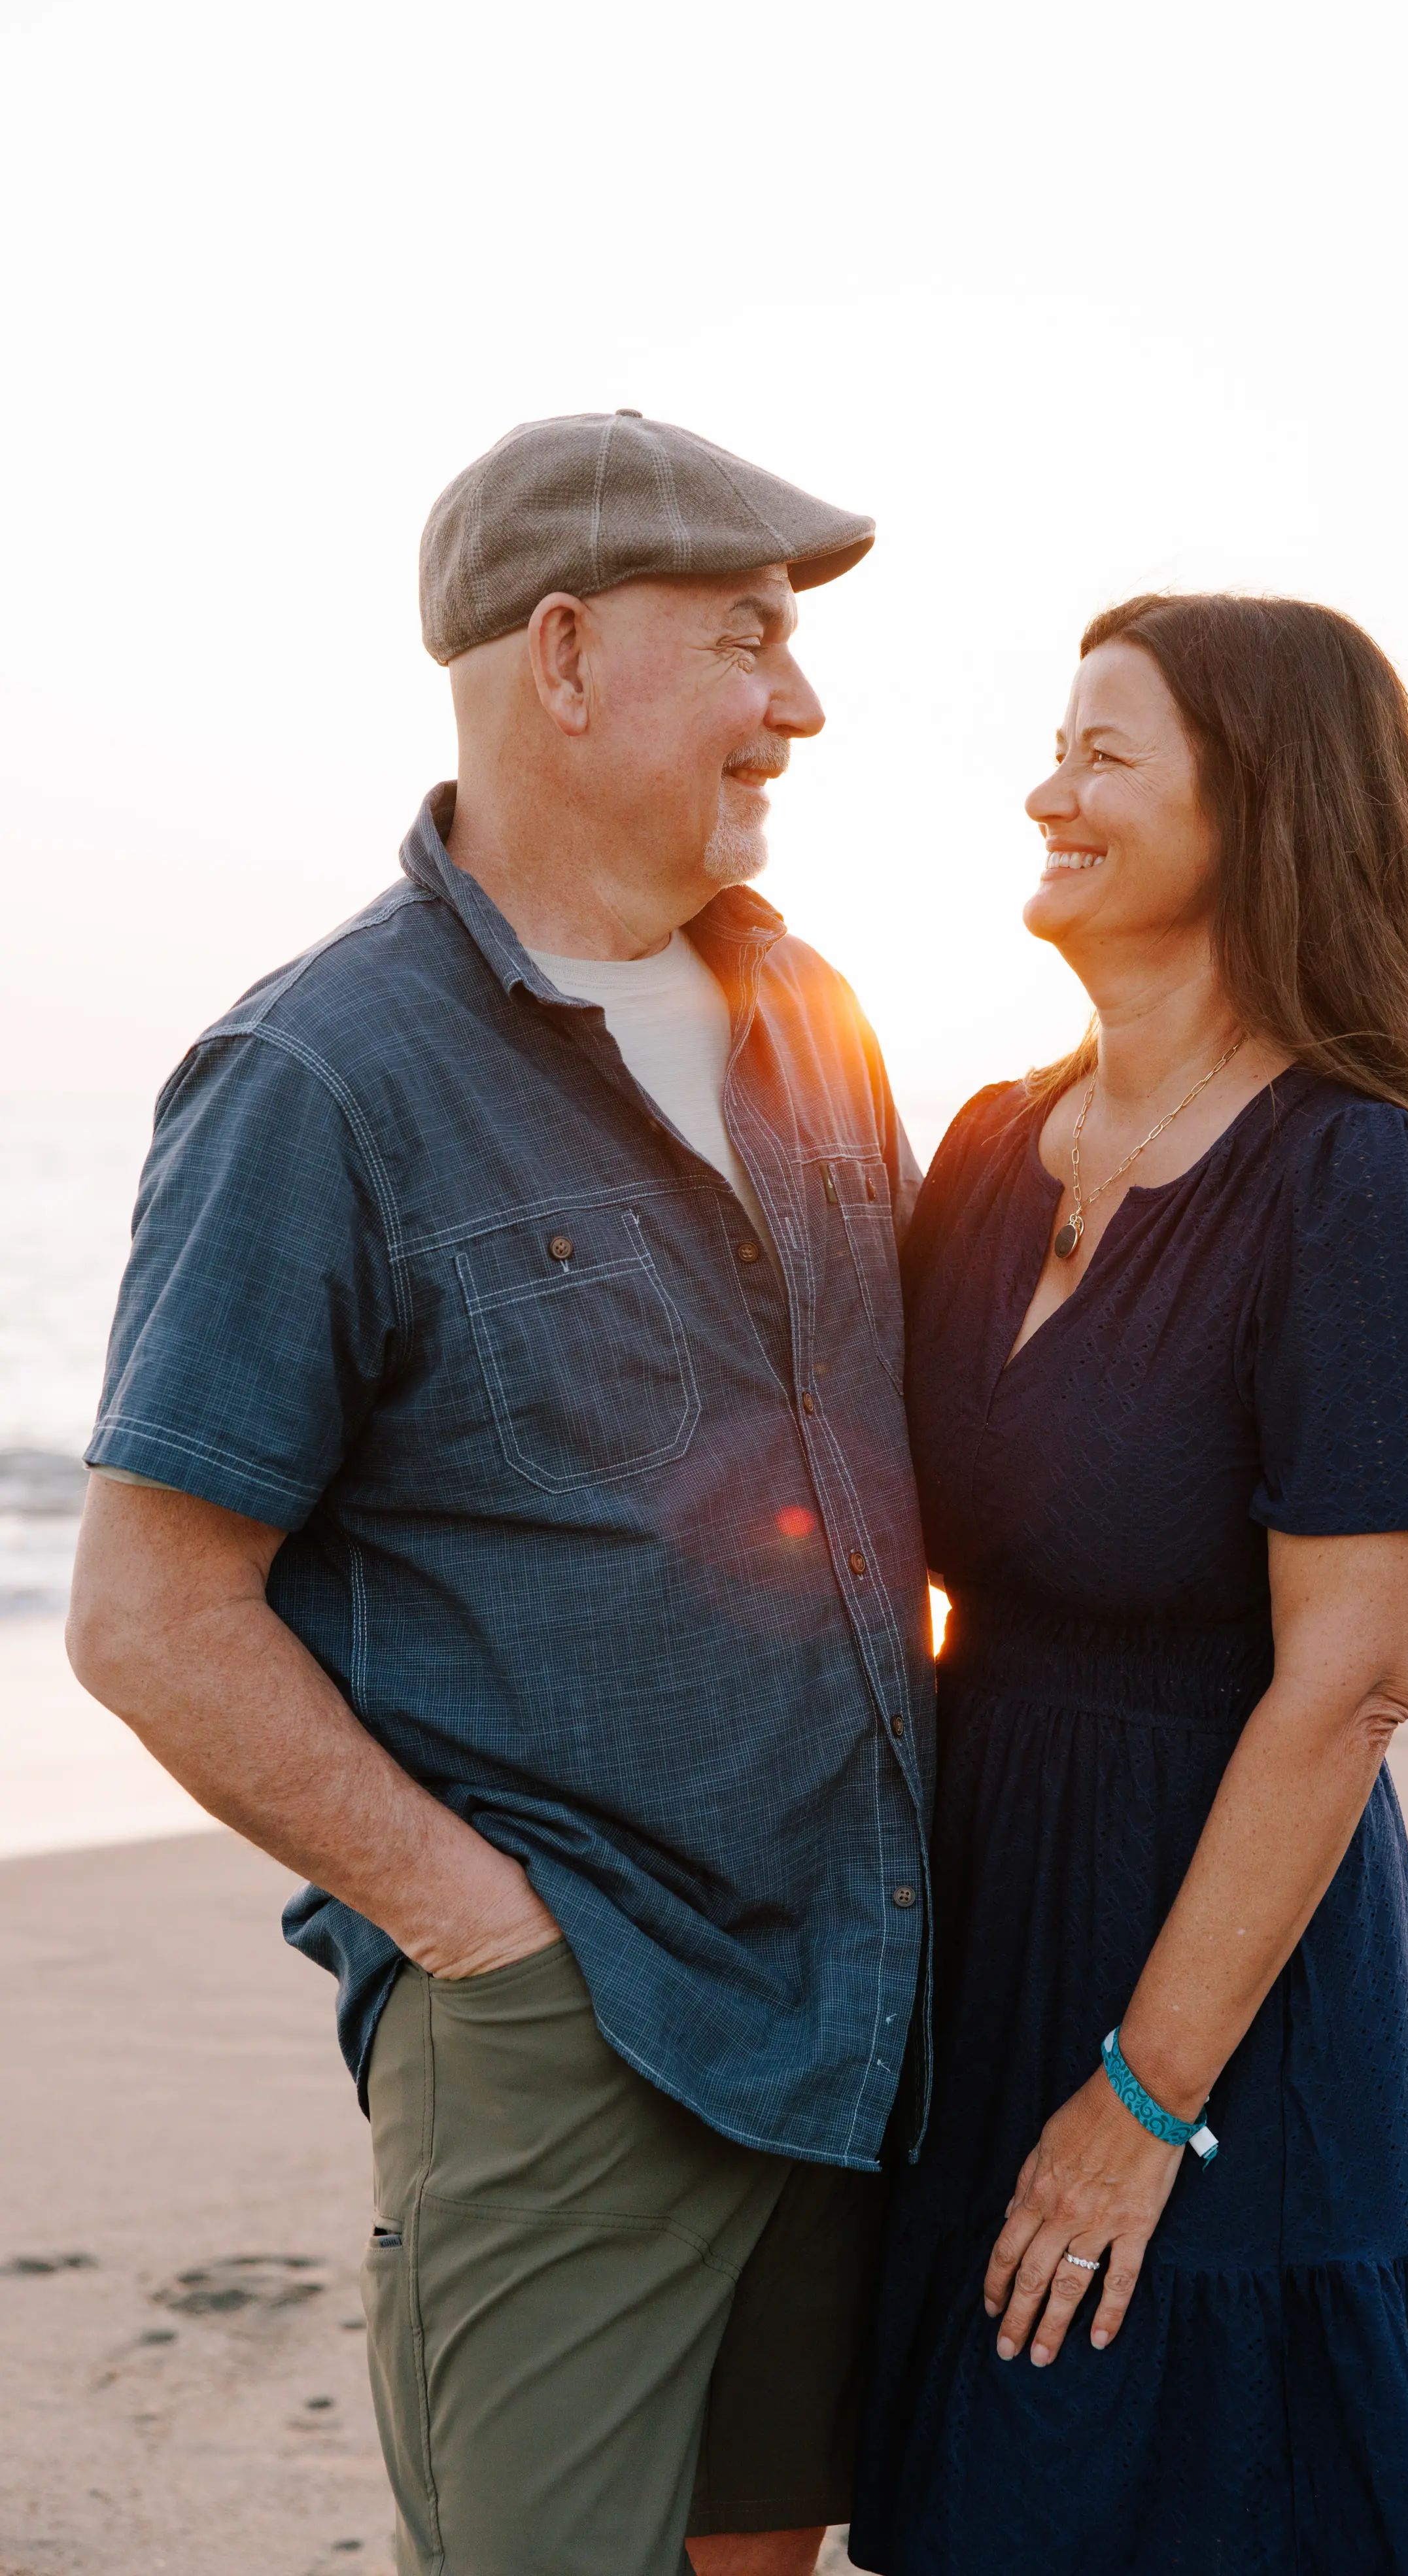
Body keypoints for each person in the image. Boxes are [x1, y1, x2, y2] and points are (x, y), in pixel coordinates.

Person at [65, 411, 935, 2576]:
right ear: (560, 657)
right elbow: (151, 1612)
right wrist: (478, 1930)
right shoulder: (317, 1079)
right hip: (573, 2030)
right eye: (745, 639)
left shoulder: (814, 1011)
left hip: (857, 1982)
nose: (799, 703)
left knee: (765, 2554)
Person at [851, 592, 1408, 2575]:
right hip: (980, 1910)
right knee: (989, 2490)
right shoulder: (983, 1146)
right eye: (1056, 744)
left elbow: (1356, 1682)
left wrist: (1143, 2100)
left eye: (1103, 753)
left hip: (1219, 1955)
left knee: (1202, 2489)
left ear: (1260, 812)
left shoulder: (1345, 1175)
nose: (1047, 790)